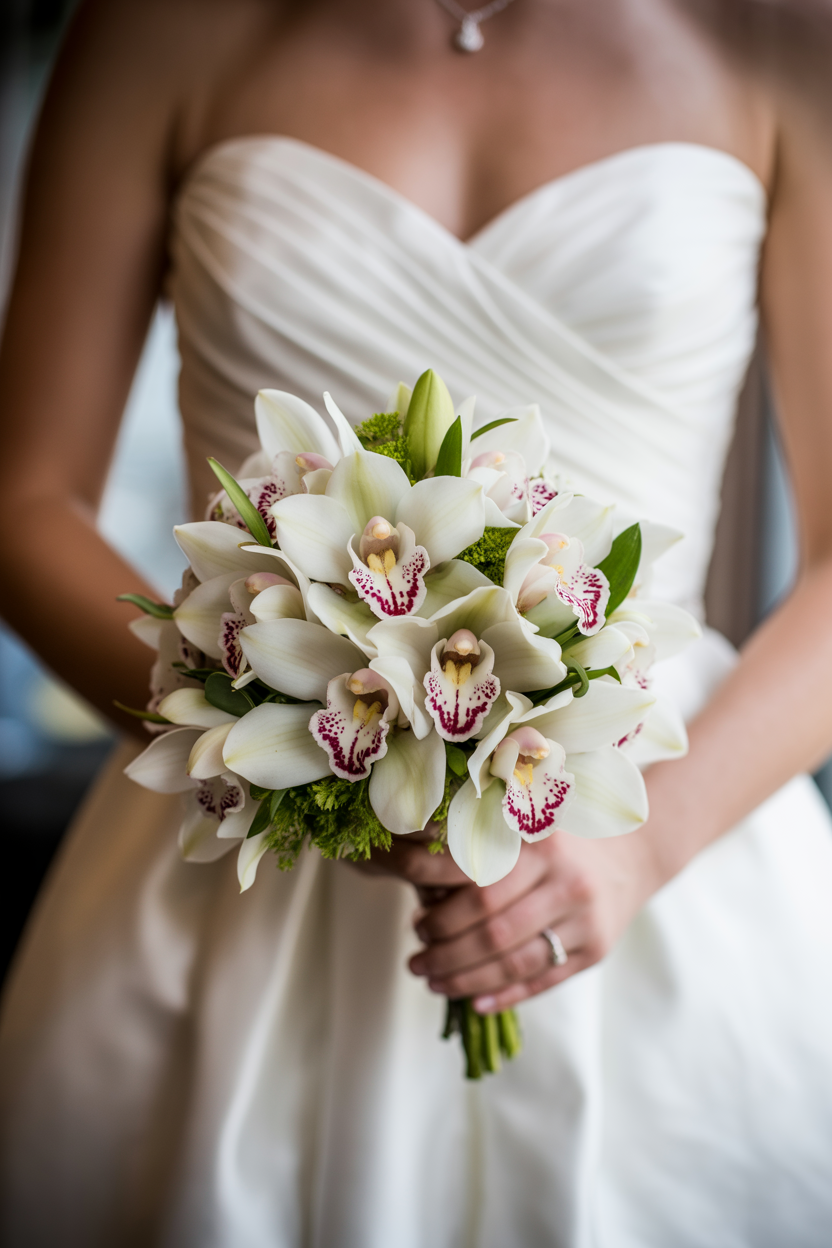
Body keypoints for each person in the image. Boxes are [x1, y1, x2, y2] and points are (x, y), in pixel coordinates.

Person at [2, 0, 832, 1243]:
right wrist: (256, 740)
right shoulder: (155, 26)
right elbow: (27, 498)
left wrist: (638, 852)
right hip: (246, 816)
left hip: (652, 820)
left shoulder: (781, 32)